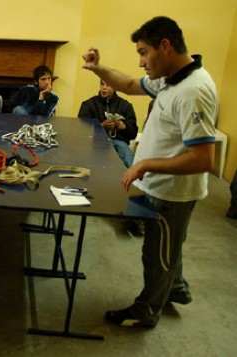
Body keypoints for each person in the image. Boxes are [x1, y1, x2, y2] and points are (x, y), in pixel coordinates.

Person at [82, 16, 218, 327]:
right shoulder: (172, 78)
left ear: (165, 47)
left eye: (144, 53)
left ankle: (147, 310)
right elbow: (129, 85)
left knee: (157, 255)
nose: (142, 62)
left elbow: (203, 159)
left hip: (172, 192)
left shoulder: (193, 91)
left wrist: (144, 163)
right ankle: (177, 289)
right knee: (170, 245)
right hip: (158, 185)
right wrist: (97, 68)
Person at [78, 79, 138, 168]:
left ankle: (135, 178)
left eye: (108, 85)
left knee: (125, 153)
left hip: (119, 142)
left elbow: (133, 133)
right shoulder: (88, 104)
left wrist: (125, 127)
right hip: (94, 143)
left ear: (115, 88)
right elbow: (80, 129)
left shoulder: (125, 106)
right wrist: (101, 126)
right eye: (102, 84)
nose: (104, 88)